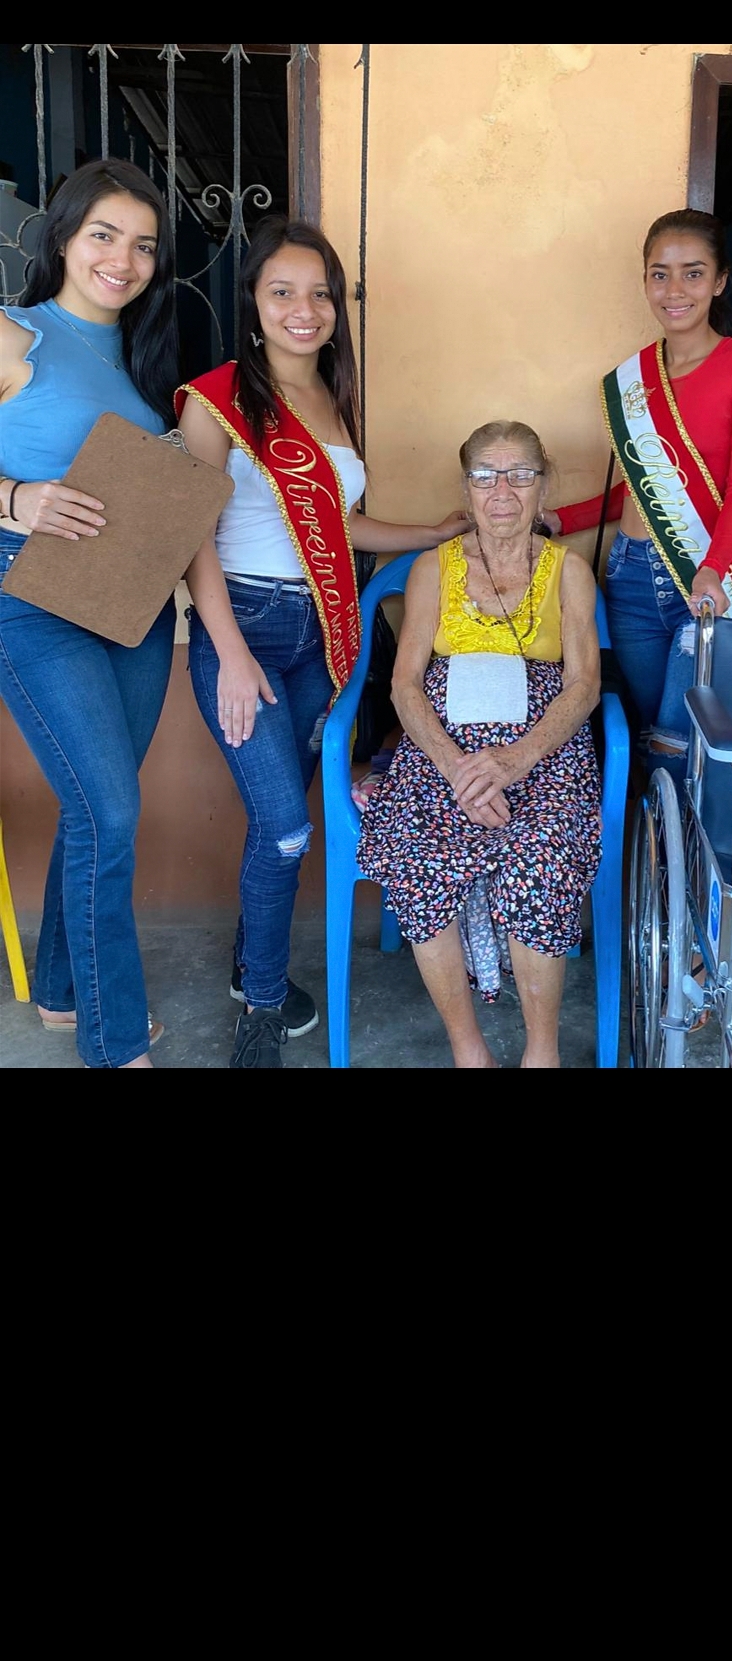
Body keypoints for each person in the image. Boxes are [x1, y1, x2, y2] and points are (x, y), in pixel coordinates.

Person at [177, 218, 466, 1070]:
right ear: (253, 302)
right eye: (282, 292)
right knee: (285, 829)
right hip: (244, 631)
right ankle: (262, 1010)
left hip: (321, 636)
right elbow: (191, 537)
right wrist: (230, 653)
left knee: (279, 819)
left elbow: (338, 526)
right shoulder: (216, 401)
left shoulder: (334, 400)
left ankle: (249, 966)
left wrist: (432, 532)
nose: (303, 310)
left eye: (320, 294)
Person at [0, 159, 180, 1071]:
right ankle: (115, 1044)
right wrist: (14, 497)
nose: (124, 259)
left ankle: (65, 994)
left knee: (92, 808)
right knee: (109, 811)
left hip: (132, 604)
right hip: (32, 597)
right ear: (64, 236)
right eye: (105, 235)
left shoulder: (142, 364)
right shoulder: (13, 333)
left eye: (144, 245)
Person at [361, 423, 602, 1069]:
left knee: (539, 858)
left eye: (520, 475)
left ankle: (542, 1054)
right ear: (466, 490)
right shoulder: (433, 570)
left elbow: (583, 686)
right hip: (442, 750)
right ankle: (470, 1053)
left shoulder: (570, 572)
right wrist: (458, 770)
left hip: (544, 751)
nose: (502, 492)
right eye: (485, 476)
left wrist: (514, 760)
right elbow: (405, 684)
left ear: (543, 487)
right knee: (419, 856)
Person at [545, 210, 732, 775]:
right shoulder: (632, 379)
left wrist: (712, 568)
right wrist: (560, 519)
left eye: (693, 273)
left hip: (703, 575)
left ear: (720, 280)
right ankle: (655, 835)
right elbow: (639, 489)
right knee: (649, 734)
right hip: (629, 576)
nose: (675, 290)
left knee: (675, 742)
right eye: (660, 274)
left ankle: (681, 837)